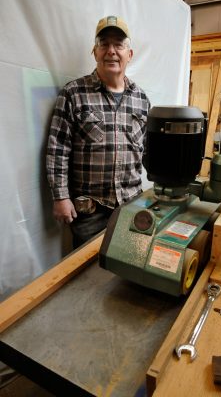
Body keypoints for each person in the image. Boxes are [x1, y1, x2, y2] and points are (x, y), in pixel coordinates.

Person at [46, 15, 150, 248]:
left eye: (119, 45)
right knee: (88, 277)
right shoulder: (73, 94)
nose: (111, 51)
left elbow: (148, 150)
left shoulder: (141, 99)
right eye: (104, 44)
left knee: (129, 264)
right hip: (89, 211)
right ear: (95, 52)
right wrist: (60, 197)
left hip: (131, 205)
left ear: (129, 54)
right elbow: (57, 149)